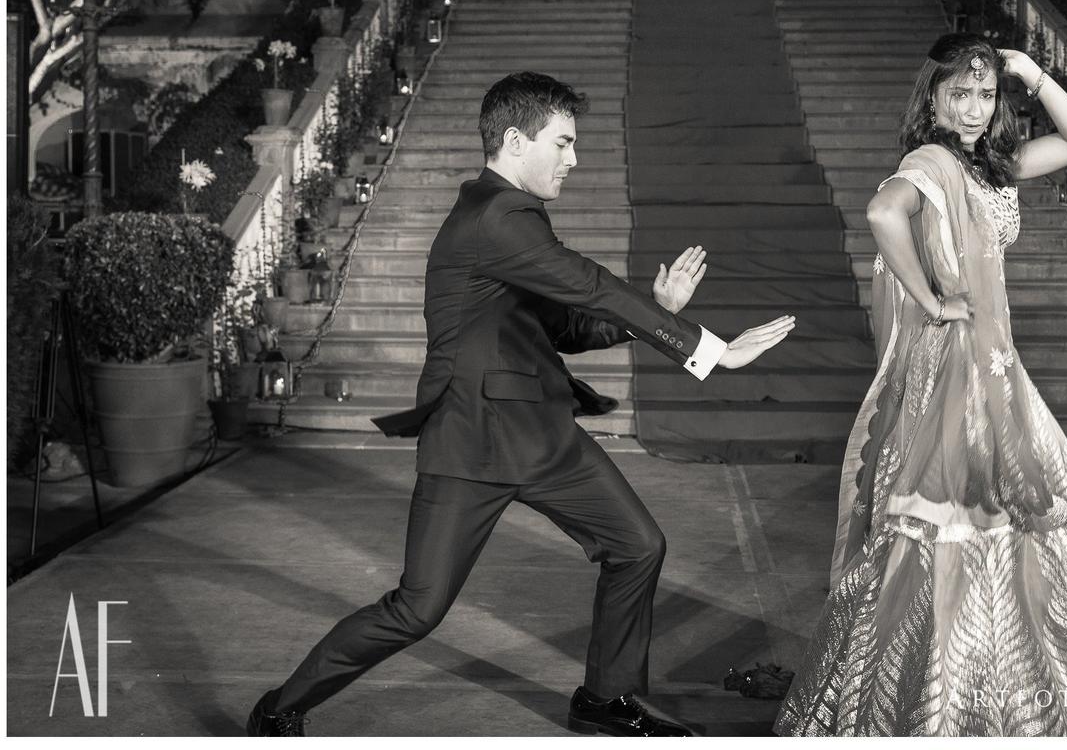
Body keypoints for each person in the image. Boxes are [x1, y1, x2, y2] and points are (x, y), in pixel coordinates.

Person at [247, 71, 796, 737]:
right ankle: (280, 707)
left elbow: (564, 328)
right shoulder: (496, 217)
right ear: (514, 140)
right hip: (472, 440)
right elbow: (589, 285)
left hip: (542, 435)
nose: (574, 158)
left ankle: (606, 697)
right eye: (563, 143)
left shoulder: (511, 221)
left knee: (638, 545)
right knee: (417, 610)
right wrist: (709, 349)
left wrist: (658, 309)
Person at [774, 34, 1067, 737]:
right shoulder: (933, 160)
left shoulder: (992, 167)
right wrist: (933, 300)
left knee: (1002, 514)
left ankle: (991, 674)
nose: (975, 108)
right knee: (962, 515)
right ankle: (946, 690)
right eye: (960, 94)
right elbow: (885, 215)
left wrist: (1031, 73)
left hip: (991, 362)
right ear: (933, 98)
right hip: (956, 365)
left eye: (984, 94)